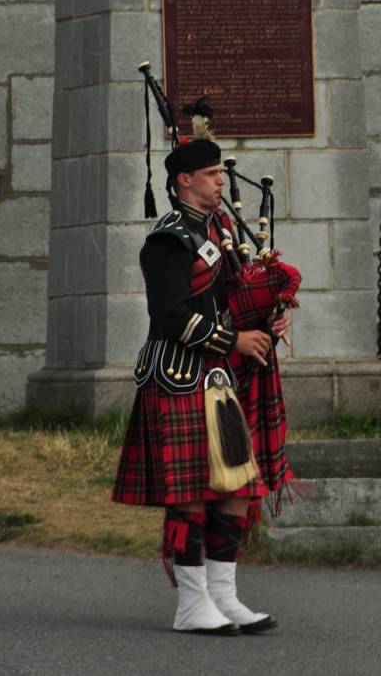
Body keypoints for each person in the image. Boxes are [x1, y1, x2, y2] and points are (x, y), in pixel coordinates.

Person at [112, 136, 294, 635]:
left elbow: (232, 299)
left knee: (236, 486)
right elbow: (170, 315)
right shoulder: (167, 241)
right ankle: (191, 604)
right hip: (176, 375)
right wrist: (235, 340)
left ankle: (223, 597)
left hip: (215, 376)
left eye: (220, 173)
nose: (221, 181)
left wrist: (268, 319)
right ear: (184, 181)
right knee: (190, 493)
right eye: (213, 174)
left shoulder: (219, 232)